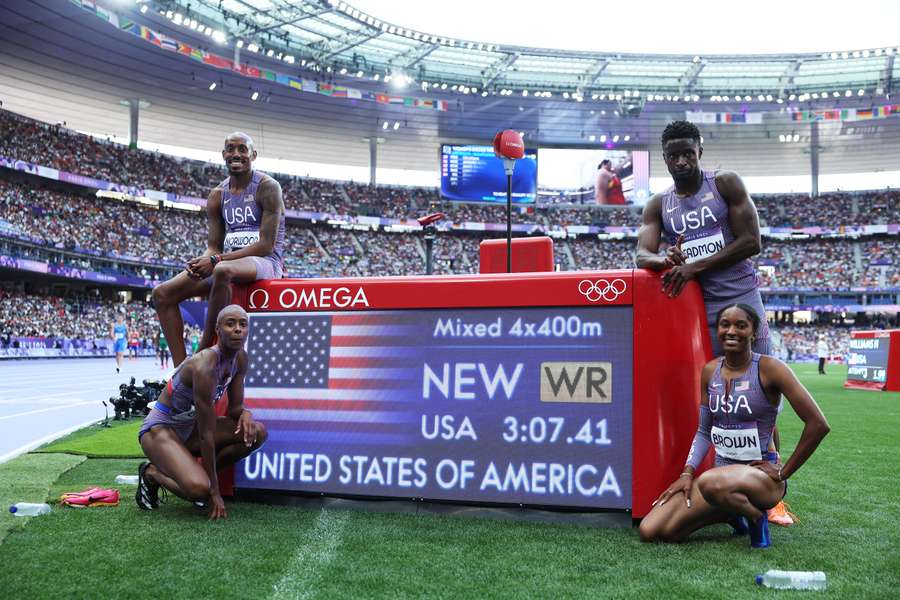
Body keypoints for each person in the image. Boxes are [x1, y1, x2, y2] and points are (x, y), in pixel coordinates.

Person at [634, 120, 795, 525]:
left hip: (741, 301)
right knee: (721, 398)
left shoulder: (724, 184)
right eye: (674, 155)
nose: (682, 160)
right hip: (698, 312)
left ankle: (771, 492)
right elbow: (641, 254)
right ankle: (724, 483)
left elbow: (751, 241)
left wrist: (693, 266)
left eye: (689, 152)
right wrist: (664, 261)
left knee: (760, 392)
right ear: (665, 159)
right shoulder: (659, 204)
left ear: (700, 150)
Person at [638, 304, 830, 547]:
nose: (731, 331)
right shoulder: (710, 371)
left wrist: (783, 472)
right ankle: (731, 512)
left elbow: (818, 424)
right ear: (717, 330)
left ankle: (756, 516)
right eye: (725, 324)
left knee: (708, 481)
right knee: (654, 530)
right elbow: (704, 431)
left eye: (741, 325)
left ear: (753, 332)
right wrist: (686, 473)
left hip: (760, 479)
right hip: (720, 480)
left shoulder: (770, 369)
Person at [151, 132, 285, 367]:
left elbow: (266, 244)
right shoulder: (216, 195)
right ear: (223, 155)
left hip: (265, 262)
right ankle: (182, 371)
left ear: (253, 155)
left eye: (242, 149)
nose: (236, 154)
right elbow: (214, 245)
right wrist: (200, 262)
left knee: (223, 270)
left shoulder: (267, 187)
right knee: (162, 294)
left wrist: (215, 261)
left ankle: (204, 347)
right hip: (226, 261)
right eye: (231, 149)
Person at [136, 305, 267, 520]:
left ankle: (196, 474)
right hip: (161, 430)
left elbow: (234, 409)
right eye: (230, 323)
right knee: (200, 491)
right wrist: (214, 492)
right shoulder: (205, 366)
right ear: (218, 329)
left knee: (257, 433)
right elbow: (207, 434)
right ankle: (152, 473)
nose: (237, 330)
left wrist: (246, 414)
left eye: (243, 324)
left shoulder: (241, 359)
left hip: (189, 428)